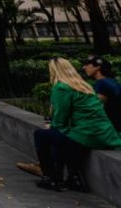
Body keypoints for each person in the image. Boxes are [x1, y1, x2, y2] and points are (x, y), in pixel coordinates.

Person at [30, 57, 121, 191]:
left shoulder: (61, 87)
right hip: (105, 136)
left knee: (41, 135)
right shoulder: (83, 85)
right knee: (60, 137)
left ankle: (51, 178)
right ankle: (72, 178)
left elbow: (60, 118)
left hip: (86, 135)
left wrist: (52, 126)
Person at [84, 56, 121, 132]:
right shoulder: (112, 82)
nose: (84, 67)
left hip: (111, 130)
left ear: (97, 67)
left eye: (87, 65)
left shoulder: (101, 83)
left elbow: (95, 109)